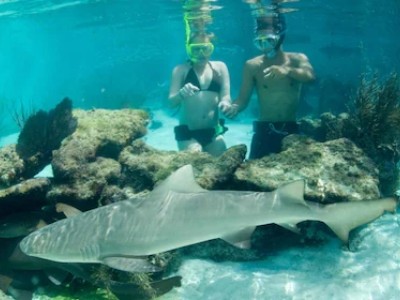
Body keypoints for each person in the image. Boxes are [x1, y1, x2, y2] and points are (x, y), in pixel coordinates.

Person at [221, 13, 315, 159]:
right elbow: (242, 99)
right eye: (260, 42)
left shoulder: (297, 59)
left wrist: (287, 70)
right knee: (252, 178)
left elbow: (310, 77)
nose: (264, 46)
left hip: (291, 129)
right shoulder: (252, 66)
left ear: (280, 36)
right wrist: (234, 108)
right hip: (264, 130)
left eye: (269, 41)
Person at [168, 32, 231, 156]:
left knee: (221, 168)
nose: (201, 53)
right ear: (188, 50)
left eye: (206, 48)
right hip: (188, 135)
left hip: (214, 133)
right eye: (195, 49)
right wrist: (181, 94)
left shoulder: (220, 68)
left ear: (211, 47)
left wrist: (225, 103)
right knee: (195, 163)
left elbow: (226, 95)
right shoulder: (180, 70)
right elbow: (171, 103)